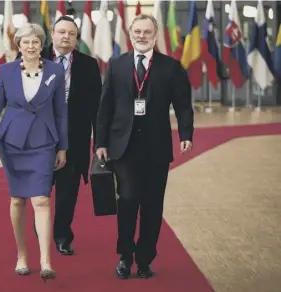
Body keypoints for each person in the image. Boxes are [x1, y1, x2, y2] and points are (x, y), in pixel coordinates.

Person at [95, 14, 194, 279]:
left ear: (155, 33)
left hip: (156, 148)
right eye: (137, 31)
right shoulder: (116, 65)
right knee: (127, 200)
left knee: (152, 206)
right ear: (130, 33)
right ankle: (125, 256)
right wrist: (100, 142)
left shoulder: (171, 67)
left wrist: (186, 133)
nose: (141, 35)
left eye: (146, 31)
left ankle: (145, 259)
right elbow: (105, 106)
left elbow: (183, 105)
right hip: (122, 148)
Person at [0, 23, 68, 282]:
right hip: (12, 144)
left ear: (42, 44)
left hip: (43, 142)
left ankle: (45, 261)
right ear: (18, 45)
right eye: (25, 42)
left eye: (35, 42)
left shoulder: (54, 70)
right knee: (18, 200)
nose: (31, 46)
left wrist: (62, 146)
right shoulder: (6, 71)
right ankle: (22, 255)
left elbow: (60, 112)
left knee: (41, 200)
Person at [20, 16, 101, 256]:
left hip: (74, 141)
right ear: (52, 34)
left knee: (67, 194)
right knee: (40, 192)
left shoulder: (88, 65)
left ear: (76, 39)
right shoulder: (33, 56)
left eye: (71, 34)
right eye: (61, 32)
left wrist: (99, 143)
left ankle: (63, 236)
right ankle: (41, 232)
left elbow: (96, 107)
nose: (66, 37)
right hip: (38, 140)